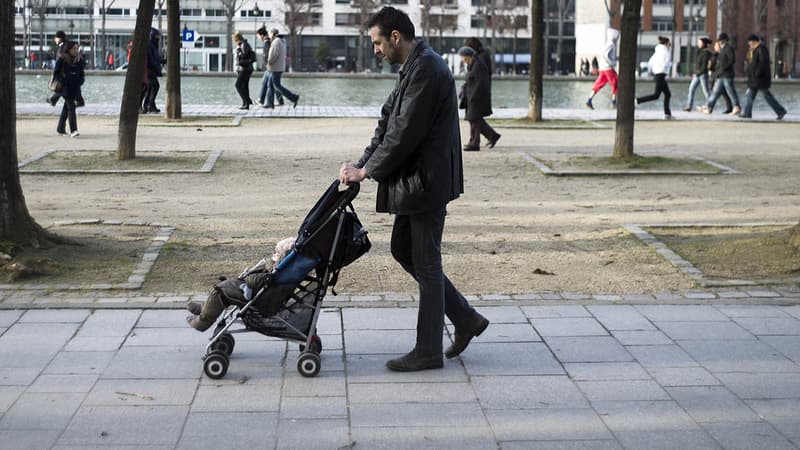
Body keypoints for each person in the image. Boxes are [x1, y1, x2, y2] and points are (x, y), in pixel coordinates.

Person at [338, 6, 489, 372]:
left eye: (377, 43)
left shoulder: (426, 69)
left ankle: (428, 350)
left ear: (394, 37)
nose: (375, 50)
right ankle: (465, 318)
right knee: (405, 249)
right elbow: (387, 123)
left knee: (425, 259)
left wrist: (367, 171)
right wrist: (361, 164)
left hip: (427, 183)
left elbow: (404, 133)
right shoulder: (413, 67)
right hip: (418, 181)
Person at [458, 46, 500, 151]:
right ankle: (492, 136)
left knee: (474, 120)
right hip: (472, 97)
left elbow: (481, 84)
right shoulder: (473, 64)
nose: (462, 60)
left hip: (476, 98)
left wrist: (474, 97)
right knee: (475, 120)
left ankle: (474, 143)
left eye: (462, 57)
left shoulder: (478, 65)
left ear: (468, 56)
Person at [739, 34, 786, 120]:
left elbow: (762, 63)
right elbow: (751, 62)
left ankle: (780, 111)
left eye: (750, 42)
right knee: (750, 95)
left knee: (767, 96)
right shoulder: (754, 50)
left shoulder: (761, 49)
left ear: (754, 41)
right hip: (755, 78)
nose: (749, 44)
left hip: (760, 79)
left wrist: (757, 74)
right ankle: (746, 112)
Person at [699, 33, 740, 115]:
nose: (720, 42)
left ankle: (736, 106)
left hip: (727, 75)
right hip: (721, 75)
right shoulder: (723, 49)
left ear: (724, 40)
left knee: (731, 91)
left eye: (721, 40)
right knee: (715, 92)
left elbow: (732, 60)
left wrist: (724, 67)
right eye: (719, 40)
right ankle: (708, 107)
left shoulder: (728, 48)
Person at [636, 36, 674, 120]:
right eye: (669, 43)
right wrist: (664, 68)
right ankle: (637, 101)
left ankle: (667, 114)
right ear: (666, 43)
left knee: (667, 94)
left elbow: (650, 62)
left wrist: (652, 70)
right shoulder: (666, 52)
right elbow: (667, 63)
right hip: (661, 74)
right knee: (656, 95)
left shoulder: (657, 51)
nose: (669, 45)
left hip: (657, 74)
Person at [53, 41, 84, 137]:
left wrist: (80, 81)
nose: (75, 51)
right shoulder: (62, 59)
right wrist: (63, 81)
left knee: (66, 109)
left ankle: (60, 129)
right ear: (69, 49)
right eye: (74, 48)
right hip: (65, 88)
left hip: (75, 88)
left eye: (77, 48)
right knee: (71, 107)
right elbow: (56, 73)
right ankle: (74, 130)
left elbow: (81, 73)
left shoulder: (79, 60)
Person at [265, 29, 300, 109]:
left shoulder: (276, 41)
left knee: (277, 86)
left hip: (275, 67)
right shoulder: (282, 41)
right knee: (270, 85)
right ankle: (270, 103)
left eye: (270, 34)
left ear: (273, 34)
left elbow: (274, 54)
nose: (269, 35)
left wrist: (269, 62)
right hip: (278, 67)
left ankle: (293, 97)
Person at [586, 28, 619, 110]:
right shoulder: (611, 44)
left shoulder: (608, 43)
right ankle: (614, 102)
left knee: (599, 84)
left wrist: (615, 59)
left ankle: (589, 100)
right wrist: (611, 62)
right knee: (616, 82)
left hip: (603, 68)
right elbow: (606, 55)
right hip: (608, 68)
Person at [255, 27, 283, 107]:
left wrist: (268, 64)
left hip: (270, 67)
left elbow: (268, 55)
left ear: (262, 35)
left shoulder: (266, 42)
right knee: (269, 83)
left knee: (270, 84)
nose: (258, 38)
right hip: (270, 66)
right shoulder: (268, 41)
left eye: (258, 36)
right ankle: (262, 100)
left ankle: (263, 100)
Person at [683, 37, 712, 112]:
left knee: (706, 92)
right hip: (697, 74)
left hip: (703, 75)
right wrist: (695, 73)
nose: (698, 44)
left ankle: (709, 106)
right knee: (691, 89)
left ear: (704, 44)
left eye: (700, 42)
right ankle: (689, 106)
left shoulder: (706, 53)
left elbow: (704, 66)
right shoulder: (699, 52)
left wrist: (697, 73)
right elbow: (698, 65)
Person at [706, 40, 732, 114]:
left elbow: (715, 65)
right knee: (722, 93)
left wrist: (710, 65)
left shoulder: (720, 55)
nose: (715, 47)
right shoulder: (715, 55)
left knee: (716, 92)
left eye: (716, 46)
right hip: (716, 75)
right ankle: (730, 107)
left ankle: (709, 106)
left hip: (719, 75)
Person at [142, 28, 163, 113]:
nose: (158, 38)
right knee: (153, 86)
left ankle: (150, 105)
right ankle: (149, 105)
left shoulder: (153, 46)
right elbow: (151, 59)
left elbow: (155, 58)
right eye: (156, 36)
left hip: (152, 70)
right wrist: (156, 66)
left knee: (152, 87)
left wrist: (161, 61)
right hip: (149, 70)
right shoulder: (150, 45)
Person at [233, 31, 255, 110]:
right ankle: (246, 104)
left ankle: (246, 101)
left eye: (235, 40)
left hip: (244, 68)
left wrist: (239, 51)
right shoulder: (244, 44)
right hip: (245, 68)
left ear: (237, 39)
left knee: (238, 85)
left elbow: (244, 56)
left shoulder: (243, 45)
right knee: (244, 86)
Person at [48, 30, 68, 107]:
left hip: (62, 72)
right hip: (62, 72)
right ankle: (53, 100)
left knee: (63, 89)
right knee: (64, 90)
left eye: (56, 38)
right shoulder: (63, 46)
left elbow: (61, 60)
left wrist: (56, 71)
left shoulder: (62, 47)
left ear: (59, 38)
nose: (54, 39)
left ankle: (53, 100)